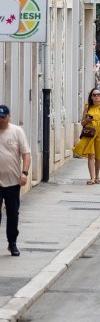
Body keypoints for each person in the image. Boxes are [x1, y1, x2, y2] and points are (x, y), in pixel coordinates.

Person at [0, 106, 31, 256]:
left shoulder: (16, 131)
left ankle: (12, 243)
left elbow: (26, 154)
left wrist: (24, 173)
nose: (1, 120)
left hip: (12, 181)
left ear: (9, 117)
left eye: (3, 117)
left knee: (12, 214)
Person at [73, 88, 100, 184]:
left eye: (98, 94)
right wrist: (88, 120)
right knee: (91, 155)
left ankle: (97, 176)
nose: (96, 96)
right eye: (94, 95)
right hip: (90, 134)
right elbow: (82, 123)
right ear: (91, 97)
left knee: (98, 156)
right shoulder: (87, 107)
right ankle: (92, 178)